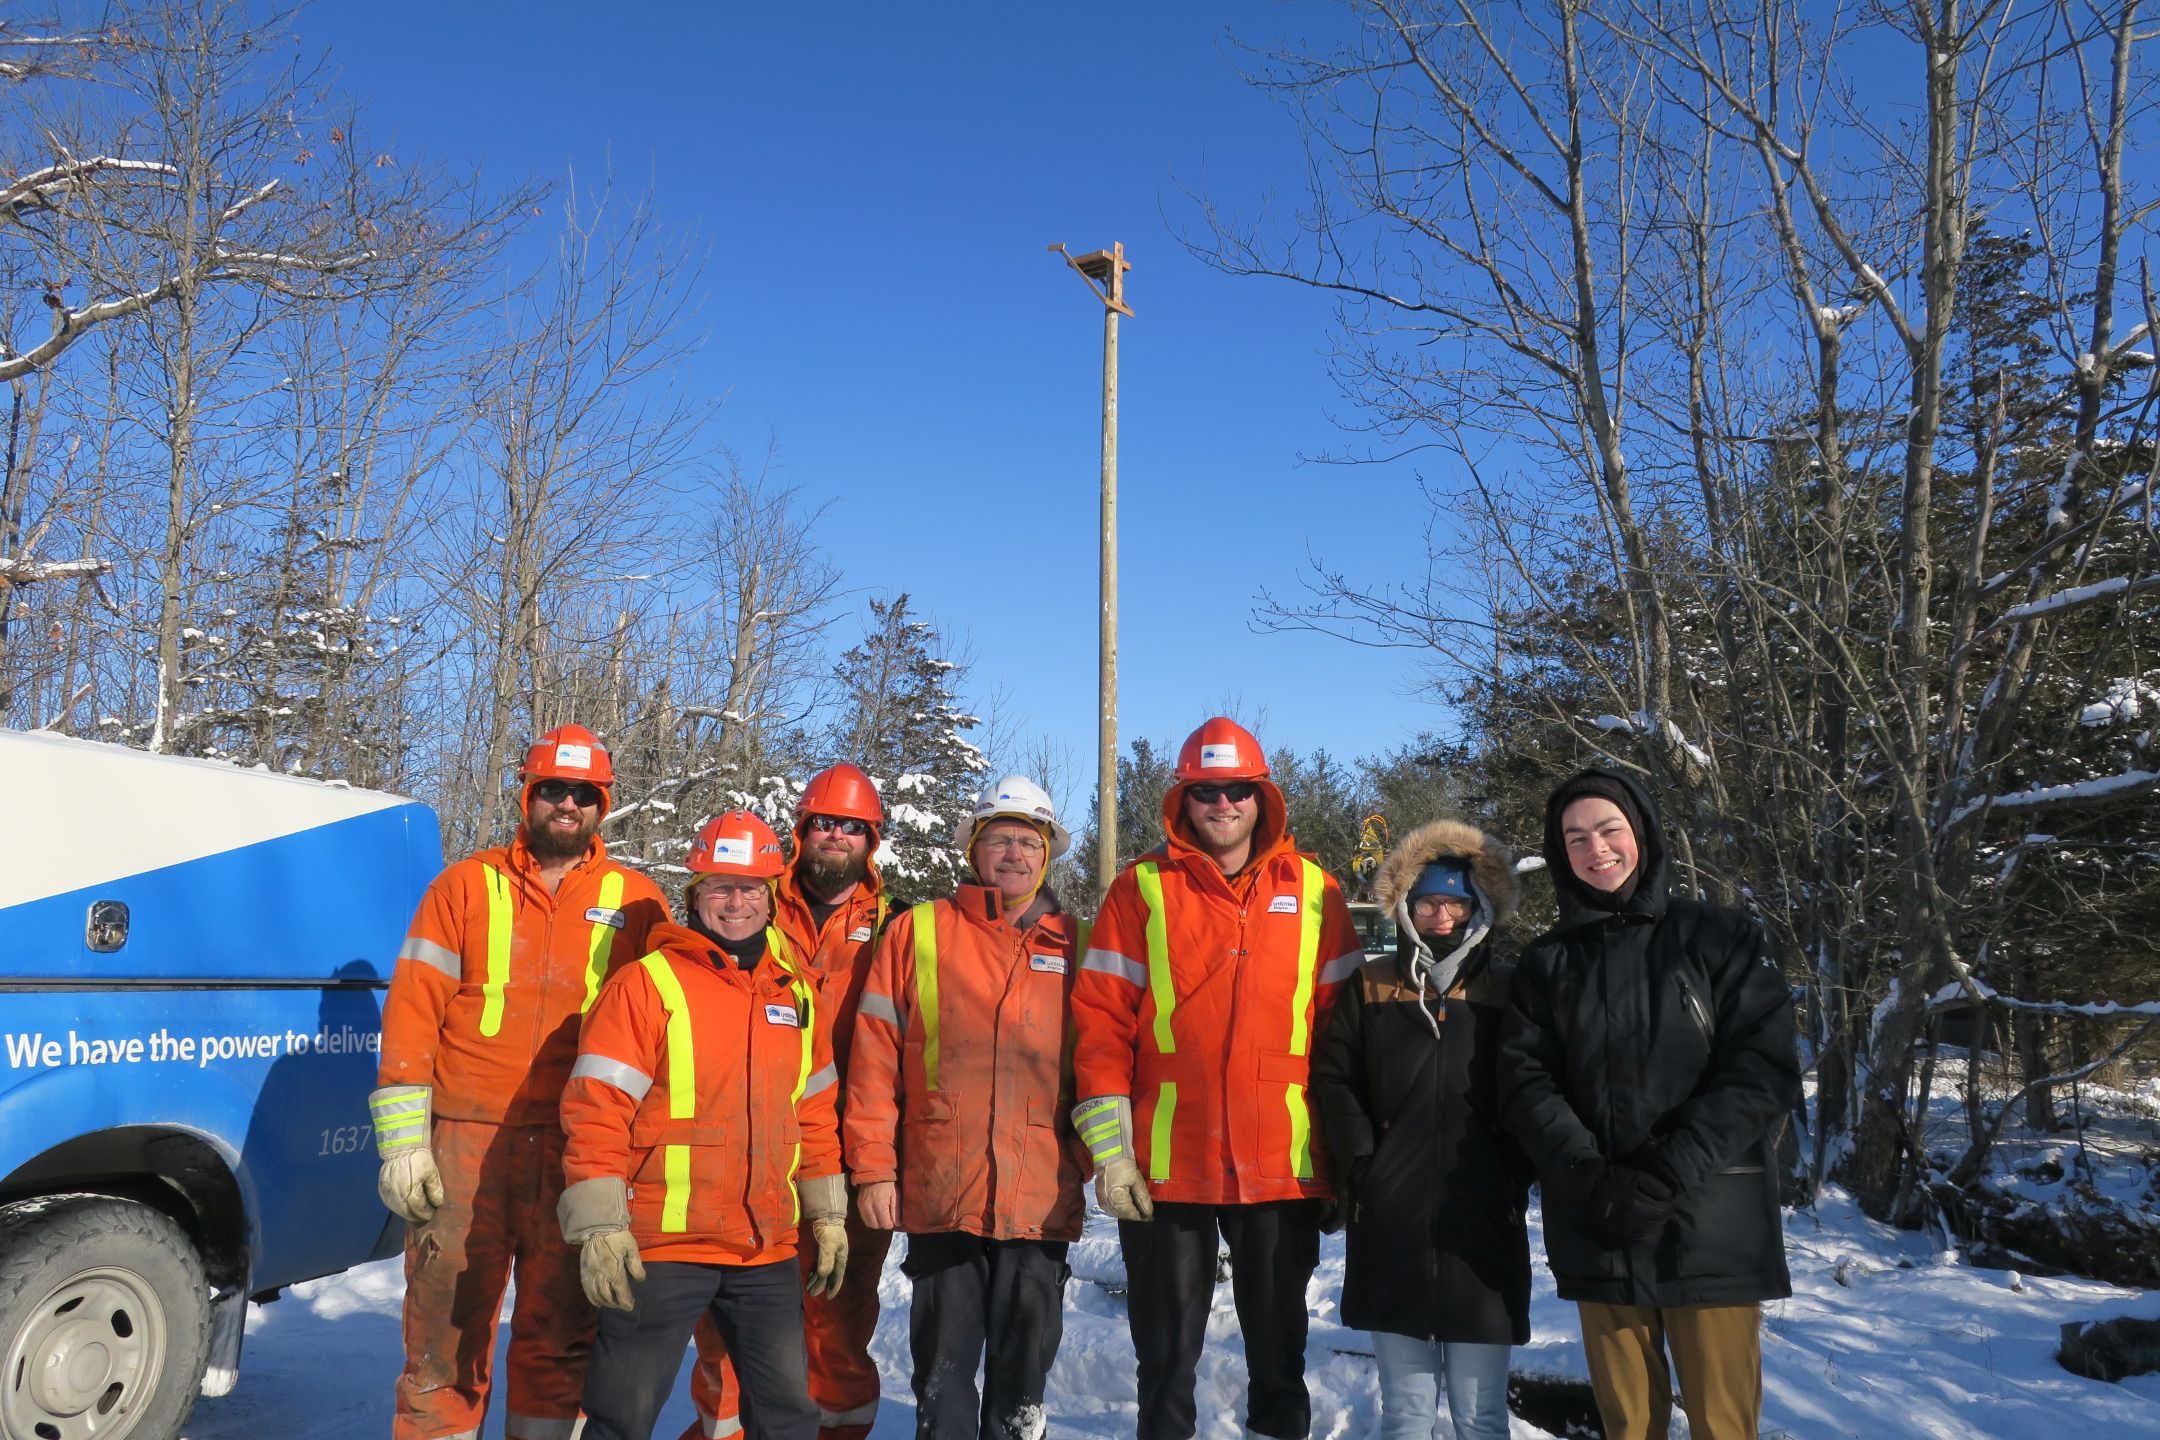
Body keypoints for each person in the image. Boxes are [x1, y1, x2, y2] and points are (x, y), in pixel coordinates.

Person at [371, 723, 670, 1440]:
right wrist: (404, 1145)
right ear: (529, 794)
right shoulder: (465, 886)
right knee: (444, 1328)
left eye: (583, 794)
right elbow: (413, 1009)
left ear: (603, 804)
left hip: (577, 1148)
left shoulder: (638, 901)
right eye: (553, 791)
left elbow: (668, 1027)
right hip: (469, 1148)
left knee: (561, 1330)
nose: (567, 805)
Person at [1070, 717, 1365, 1440]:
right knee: (1165, 1359)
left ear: (1262, 797)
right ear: (1184, 799)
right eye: (1206, 790)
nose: (1222, 805)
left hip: (1281, 1162)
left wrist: (1347, 1159)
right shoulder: (1141, 889)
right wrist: (1111, 1152)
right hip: (1169, 1160)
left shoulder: (1318, 892)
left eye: (1237, 789)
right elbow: (1101, 1023)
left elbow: (1348, 1041)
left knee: (1279, 1351)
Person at [1498, 769, 1801, 1440]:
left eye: (1609, 830)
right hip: (1600, 1226)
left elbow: (1763, 1070)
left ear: (1643, 834)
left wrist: (1666, 1170)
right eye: (1575, 837)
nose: (1595, 849)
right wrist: (1584, 1175)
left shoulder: (1720, 937)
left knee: (1723, 1425)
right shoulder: (1547, 965)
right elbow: (1525, 1083)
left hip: (1711, 1224)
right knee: (1628, 1424)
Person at [559, 810, 848, 1440]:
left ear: (771, 900)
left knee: (788, 1418)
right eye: (719, 886)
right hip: (662, 1246)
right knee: (620, 1418)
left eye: (751, 889)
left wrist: (826, 1213)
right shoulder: (646, 985)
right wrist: (601, 1227)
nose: (735, 902)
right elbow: (596, 1110)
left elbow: (815, 1111)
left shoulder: (796, 994)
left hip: (762, 1245)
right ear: (694, 895)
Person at [845, 774, 1089, 1440]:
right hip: (942, 1190)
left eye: (1028, 842)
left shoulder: (1080, 944)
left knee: (1022, 1387)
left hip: (1040, 1195)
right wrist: (872, 1170)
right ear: (974, 850)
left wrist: (1100, 1158)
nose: (1014, 854)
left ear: (1048, 855)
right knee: (942, 1378)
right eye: (999, 840)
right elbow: (873, 1061)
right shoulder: (919, 932)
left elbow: (1108, 1071)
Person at [685, 763, 893, 1440]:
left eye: (852, 827)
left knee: (838, 1321)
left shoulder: (897, 926)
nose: (837, 836)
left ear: (873, 840)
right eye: (824, 822)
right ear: (802, 831)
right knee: (732, 1325)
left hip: (853, 1146)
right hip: (753, 1142)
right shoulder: (751, 903)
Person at [1310, 819, 1529, 1440]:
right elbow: (1334, 1076)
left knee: (1480, 1415)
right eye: (1429, 900)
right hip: (1393, 1221)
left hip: (1481, 1224)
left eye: (1456, 901)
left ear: (1479, 907)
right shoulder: (1373, 984)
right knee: (1404, 1413)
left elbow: (1533, 1082)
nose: (1442, 913)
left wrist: (1514, 1166)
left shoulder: (1506, 988)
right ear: (1406, 906)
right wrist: (1362, 1161)